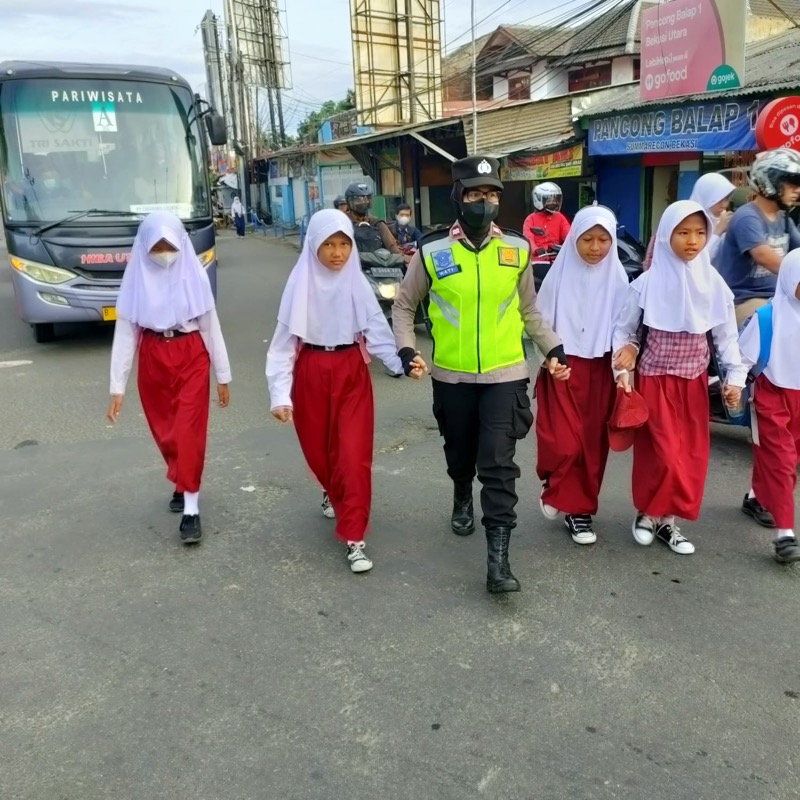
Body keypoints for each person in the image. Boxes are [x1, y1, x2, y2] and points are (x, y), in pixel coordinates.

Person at [392, 156, 570, 594]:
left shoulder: (516, 249)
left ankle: (498, 563)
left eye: (492, 195)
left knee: (498, 464)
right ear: (459, 198)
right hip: (450, 375)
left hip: (505, 375)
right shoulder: (433, 252)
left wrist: (552, 349)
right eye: (476, 194)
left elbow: (529, 309)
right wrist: (407, 350)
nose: (485, 203)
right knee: (460, 454)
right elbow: (403, 305)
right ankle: (459, 494)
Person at [266, 209, 426, 574]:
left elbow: (378, 334)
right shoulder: (299, 287)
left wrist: (404, 362)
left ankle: (354, 537)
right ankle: (330, 487)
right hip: (310, 373)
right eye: (328, 245)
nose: (337, 253)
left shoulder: (357, 285)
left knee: (352, 456)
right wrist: (280, 395)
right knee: (321, 454)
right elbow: (281, 347)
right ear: (313, 247)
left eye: (343, 244)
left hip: (351, 372)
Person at [612, 200, 747, 556]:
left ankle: (668, 520)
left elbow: (726, 337)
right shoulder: (645, 284)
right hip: (655, 382)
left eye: (700, 232)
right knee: (660, 454)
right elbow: (625, 331)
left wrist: (735, 378)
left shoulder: (713, 285)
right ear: (667, 235)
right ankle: (647, 512)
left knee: (689, 457)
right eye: (683, 232)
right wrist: (625, 357)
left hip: (693, 384)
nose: (692, 240)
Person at [106, 212, 232, 544]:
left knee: (188, 431)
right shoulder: (135, 281)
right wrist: (117, 386)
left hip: (190, 354)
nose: (164, 253)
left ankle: (191, 508)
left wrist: (222, 374)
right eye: (157, 246)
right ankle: (180, 478)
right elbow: (125, 332)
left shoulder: (195, 276)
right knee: (167, 432)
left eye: (170, 245)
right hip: (152, 356)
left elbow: (210, 327)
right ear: (144, 247)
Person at [535, 205, 630, 545]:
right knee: (561, 440)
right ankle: (556, 486)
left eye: (604, 239)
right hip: (562, 366)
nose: (595, 247)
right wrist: (549, 357)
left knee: (591, 444)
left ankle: (580, 511)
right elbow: (539, 322)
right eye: (587, 239)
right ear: (574, 238)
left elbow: (624, 328)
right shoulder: (558, 276)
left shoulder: (619, 278)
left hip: (600, 369)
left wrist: (621, 371)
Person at [738, 251, 800, 563]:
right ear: (791, 279)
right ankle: (785, 535)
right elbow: (742, 359)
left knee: (782, 456)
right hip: (771, 395)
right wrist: (733, 386)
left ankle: (756, 498)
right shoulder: (767, 318)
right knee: (783, 460)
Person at [718, 148, 800, 329]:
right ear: (771, 180)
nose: (797, 189)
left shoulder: (783, 219)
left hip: (776, 297)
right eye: (792, 182)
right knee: (782, 325)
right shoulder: (747, 217)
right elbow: (764, 256)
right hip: (744, 301)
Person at [643, 172, 736, 269]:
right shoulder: (683, 218)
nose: (724, 205)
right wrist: (717, 232)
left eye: (727, 200)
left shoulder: (721, 221)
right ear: (706, 196)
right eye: (719, 200)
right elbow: (696, 259)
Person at [344, 182, 403, 256]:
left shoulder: (377, 223)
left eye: (366, 199)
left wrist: (403, 259)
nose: (363, 202)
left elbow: (392, 246)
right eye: (358, 200)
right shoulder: (343, 222)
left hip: (376, 264)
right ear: (349, 202)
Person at [523, 182, 571, 260]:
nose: (554, 203)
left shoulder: (560, 217)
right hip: (537, 259)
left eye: (556, 200)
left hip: (556, 257)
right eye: (550, 200)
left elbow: (569, 235)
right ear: (538, 199)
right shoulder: (530, 219)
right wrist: (536, 249)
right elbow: (528, 239)